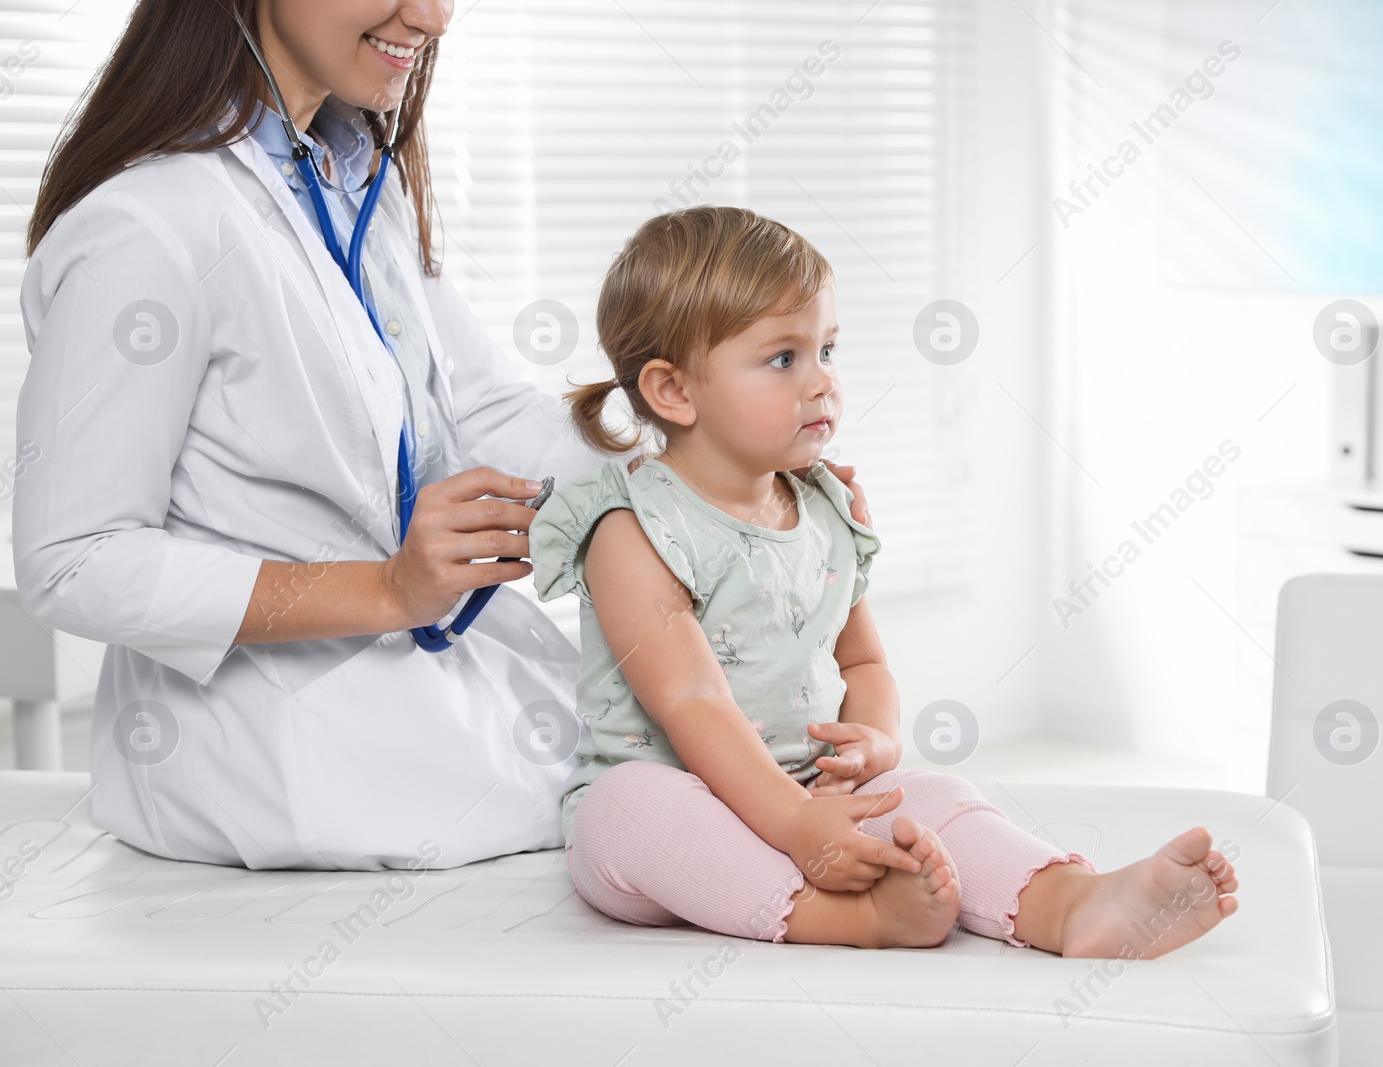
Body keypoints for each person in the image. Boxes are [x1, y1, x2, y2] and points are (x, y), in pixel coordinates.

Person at [11, 0, 873, 872]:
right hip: (258, 747)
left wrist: (702, 483)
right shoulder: (144, 228)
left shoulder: (346, 177)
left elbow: (474, 409)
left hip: (409, 677)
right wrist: (387, 591)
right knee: (671, 794)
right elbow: (76, 560)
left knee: (690, 768)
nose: (432, 16)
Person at [530, 206, 1240, 954]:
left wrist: (874, 737)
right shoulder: (633, 528)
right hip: (683, 803)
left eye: (827, 350)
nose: (822, 384)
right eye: (783, 359)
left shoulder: (824, 510)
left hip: (809, 794)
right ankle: (850, 918)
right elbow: (692, 699)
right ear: (674, 391)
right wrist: (794, 826)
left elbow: (863, 661)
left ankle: (1071, 905)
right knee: (630, 809)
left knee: (940, 799)